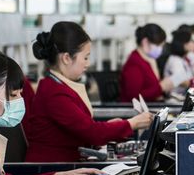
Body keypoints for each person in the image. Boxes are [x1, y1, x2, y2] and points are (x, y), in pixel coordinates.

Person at [26, 22, 153, 162]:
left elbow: (83, 129)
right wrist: (132, 123)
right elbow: (93, 133)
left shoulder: (58, 86)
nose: (87, 64)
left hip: (65, 164)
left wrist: (111, 127)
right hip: (50, 169)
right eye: (85, 57)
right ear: (67, 58)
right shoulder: (54, 93)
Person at [120, 23, 174, 102]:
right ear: (145, 42)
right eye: (158, 45)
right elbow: (134, 97)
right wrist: (161, 87)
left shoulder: (149, 60)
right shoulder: (134, 63)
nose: (160, 49)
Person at [164, 29, 194, 96]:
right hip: (175, 98)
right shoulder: (175, 60)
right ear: (184, 44)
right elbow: (182, 82)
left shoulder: (184, 59)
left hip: (183, 95)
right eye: (191, 41)